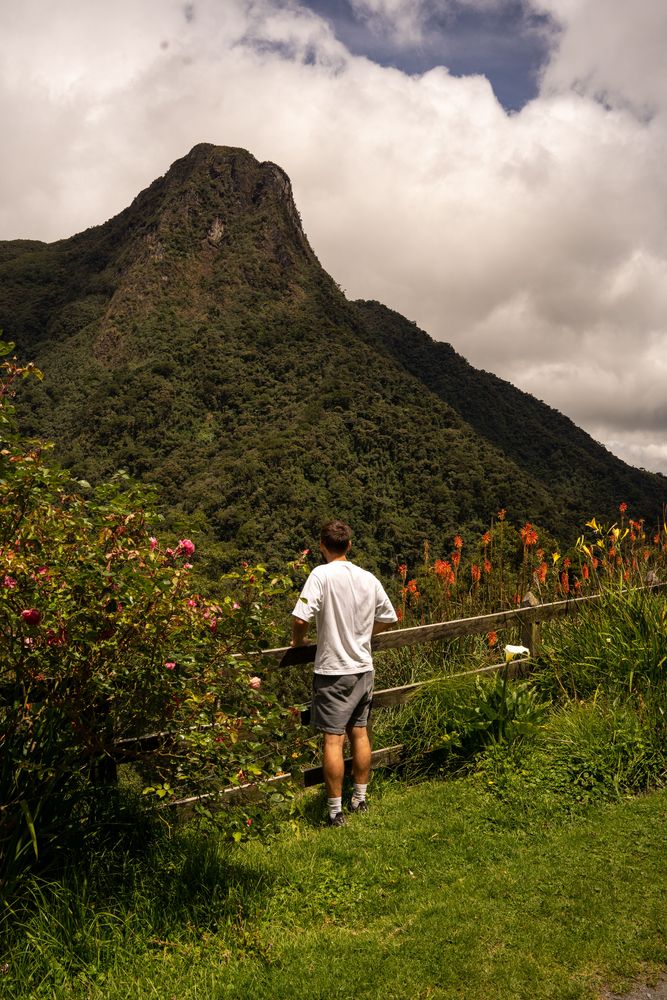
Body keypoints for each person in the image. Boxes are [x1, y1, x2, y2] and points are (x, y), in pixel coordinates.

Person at [291, 520, 397, 827]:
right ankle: (360, 800)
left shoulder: (320, 575)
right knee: (360, 733)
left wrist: (298, 643)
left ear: (322, 546)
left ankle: (335, 812)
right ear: (349, 545)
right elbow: (389, 616)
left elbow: (300, 619)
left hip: (333, 671)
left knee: (333, 741)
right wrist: (364, 635)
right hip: (363, 668)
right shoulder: (367, 577)